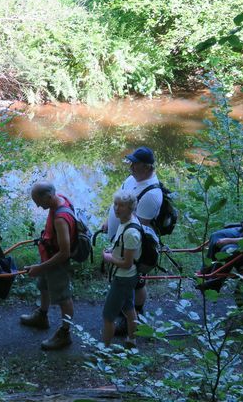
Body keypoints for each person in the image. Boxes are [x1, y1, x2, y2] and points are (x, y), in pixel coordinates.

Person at [101, 146, 162, 331]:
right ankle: (128, 312)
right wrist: (108, 220)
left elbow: (139, 228)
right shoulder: (132, 179)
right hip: (121, 239)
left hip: (135, 247)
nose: (131, 167)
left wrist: (123, 253)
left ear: (146, 167)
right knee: (127, 281)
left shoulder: (151, 194)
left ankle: (136, 314)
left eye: (135, 164)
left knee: (137, 281)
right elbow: (118, 202)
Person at [20, 181, 76, 351]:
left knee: (63, 298)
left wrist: (40, 268)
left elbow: (65, 253)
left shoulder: (61, 218)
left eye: (38, 201)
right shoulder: (60, 199)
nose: (37, 205)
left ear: (49, 197)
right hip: (47, 257)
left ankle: (65, 334)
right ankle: (42, 317)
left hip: (56, 263)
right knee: (43, 286)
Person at [102, 190, 141, 348]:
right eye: (115, 204)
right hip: (128, 277)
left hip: (124, 278)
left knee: (108, 316)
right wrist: (113, 250)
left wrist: (108, 258)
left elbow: (127, 263)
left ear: (131, 208)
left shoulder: (131, 232)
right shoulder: (126, 221)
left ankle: (104, 350)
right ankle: (132, 340)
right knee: (128, 308)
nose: (117, 209)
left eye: (122, 205)